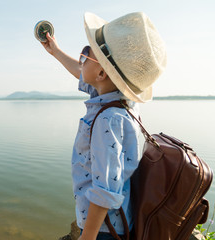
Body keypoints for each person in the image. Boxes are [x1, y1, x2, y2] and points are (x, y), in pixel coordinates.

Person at [40, 12, 167, 240]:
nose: (82, 58)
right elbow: (83, 73)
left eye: (87, 54)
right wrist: (56, 51)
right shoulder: (118, 101)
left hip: (103, 230)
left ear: (101, 73)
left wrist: (86, 236)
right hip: (114, 223)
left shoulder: (107, 120)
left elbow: (105, 190)